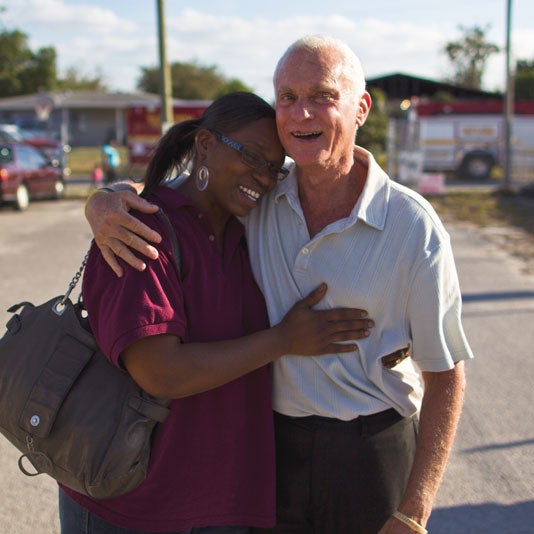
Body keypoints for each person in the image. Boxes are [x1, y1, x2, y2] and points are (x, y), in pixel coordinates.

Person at [85, 36, 474, 534]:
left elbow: (446, 373)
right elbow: (187, 189)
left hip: (372, 453)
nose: (301, 113)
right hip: (271, 452)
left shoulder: (411, 226)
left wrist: (415, 511)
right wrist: (106, 199)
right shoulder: (260, 196)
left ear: (361, 108)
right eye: (287, 97)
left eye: (322, 96)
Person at [62, 91, 374, 534]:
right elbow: (161, 371)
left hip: (225, 502)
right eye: (252, 156)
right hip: (135, 504)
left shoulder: (250, 231)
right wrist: (285, 340)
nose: (263, 178)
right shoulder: (141, 231)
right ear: (205, 145)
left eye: (274, 167)